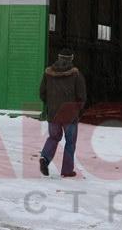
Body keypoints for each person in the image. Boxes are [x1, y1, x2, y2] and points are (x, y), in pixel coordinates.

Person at [38, 48, 86, 177]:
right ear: (71, 59)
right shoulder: (76, 75)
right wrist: (77, 109)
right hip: (70, 114)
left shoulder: (48, 73)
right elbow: (81, 96)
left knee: (53, 137)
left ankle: (45, 158)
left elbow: (42, 93)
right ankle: (67, 170)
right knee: (70, 142)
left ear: (58, 58)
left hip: (53, 113)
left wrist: (51, 104)